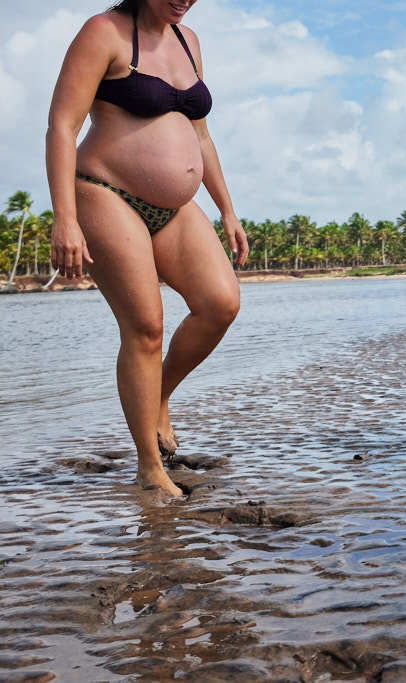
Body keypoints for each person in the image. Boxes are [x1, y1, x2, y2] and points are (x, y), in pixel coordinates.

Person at [46, 0, 248, 496]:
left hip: (176, 208)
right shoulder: (104, 32)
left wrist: (226, 207)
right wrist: (65, 217)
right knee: (145, 327)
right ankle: (149, 467)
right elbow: (63, 126)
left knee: (220, 303)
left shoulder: (188, 40)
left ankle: (157, 398)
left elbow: (200, 133)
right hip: (105, 192)